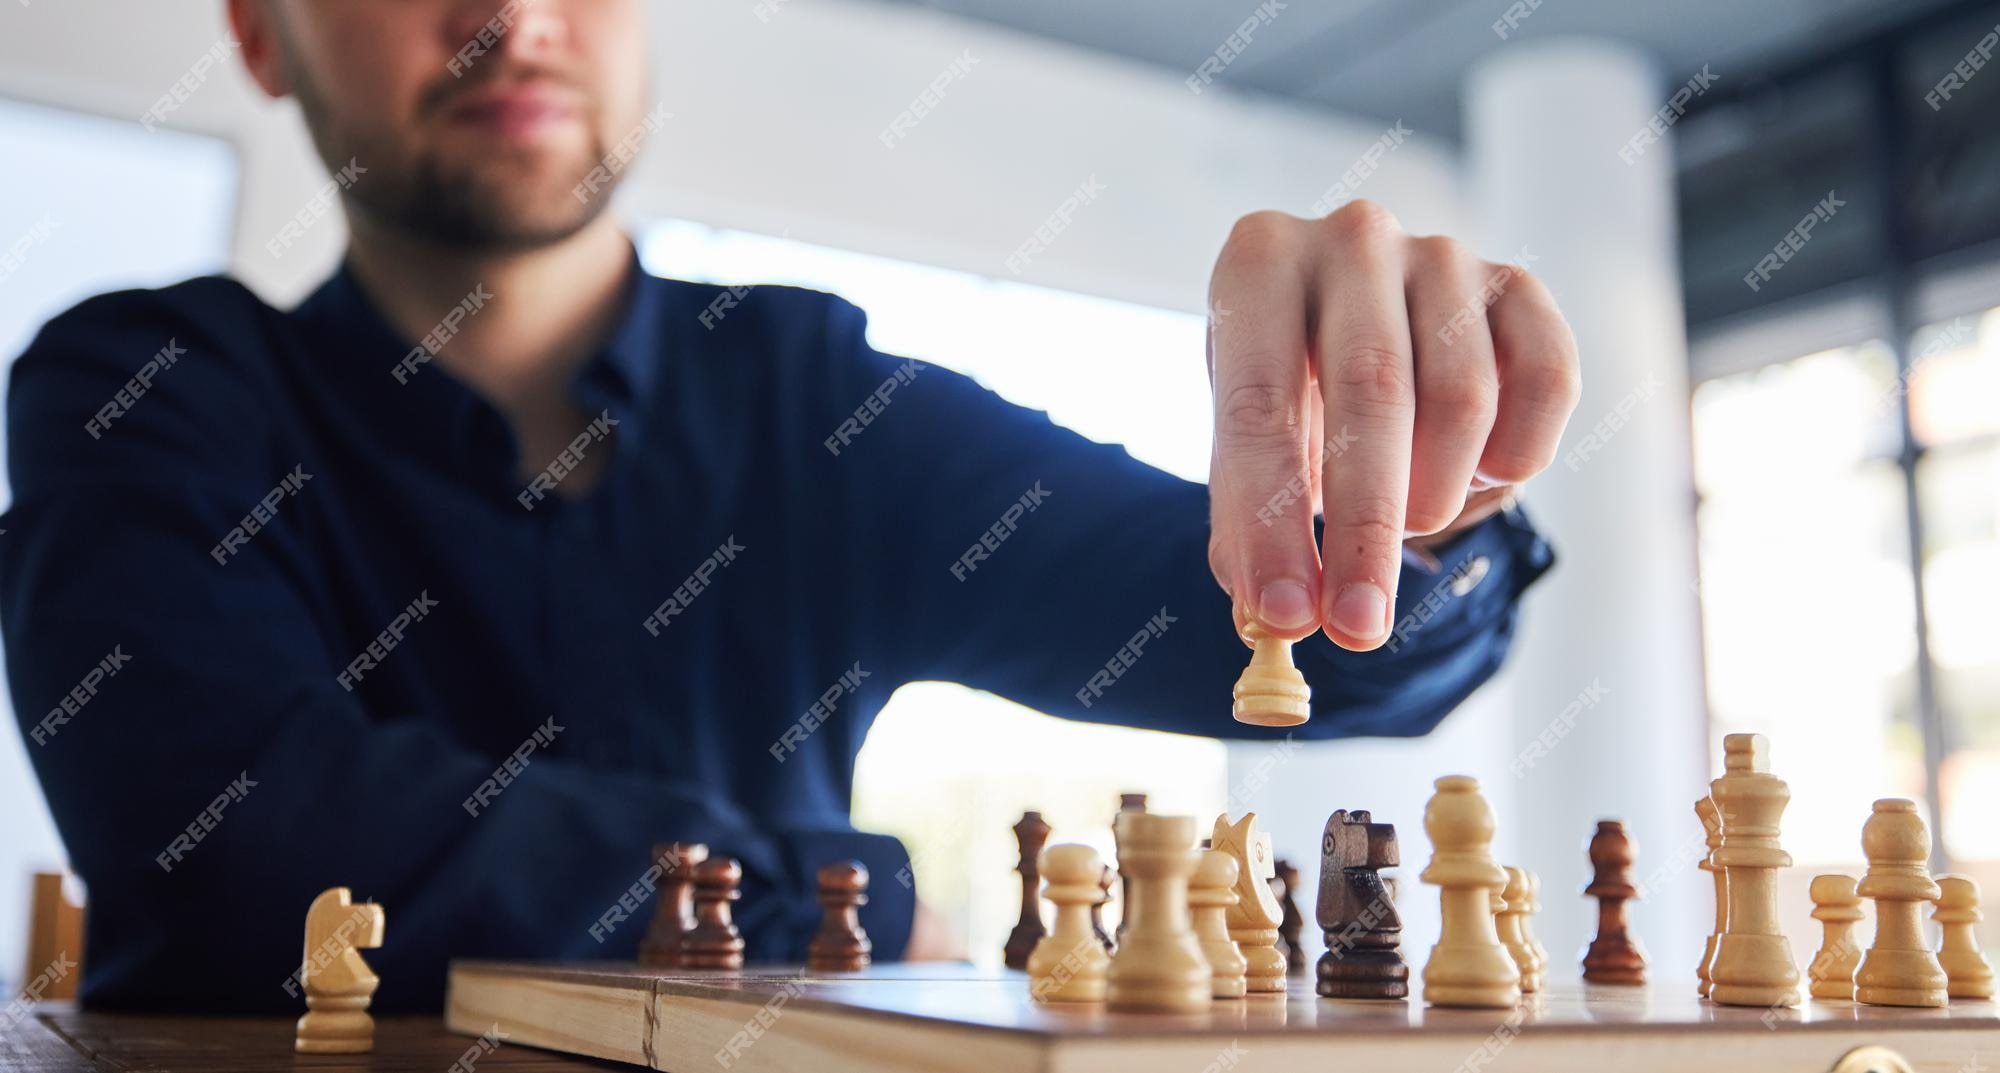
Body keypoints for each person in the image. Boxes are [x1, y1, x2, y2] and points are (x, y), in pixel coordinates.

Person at [1, 0, 1577, 1012]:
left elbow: (1310, 647)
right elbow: (240, 852)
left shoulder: (817, 399)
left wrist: (1420, 493)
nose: (512, 19)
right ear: (262, 36)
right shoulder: (144, 385)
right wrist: (846, 900)